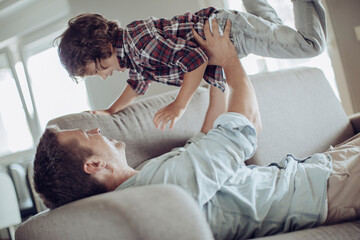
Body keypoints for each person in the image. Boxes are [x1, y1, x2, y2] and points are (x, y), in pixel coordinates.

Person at [33, 19, 357, 240]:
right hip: (324, 187)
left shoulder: (147, 178)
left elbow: (208, 137)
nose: (94, 129)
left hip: (318, 168)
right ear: (93, 165)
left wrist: (215, 71)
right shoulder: (161, 191)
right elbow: (245, 127)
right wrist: (229, 58)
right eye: (86, 135)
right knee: (308, 42)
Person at [56, 0, 326, 131]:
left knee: (310, 45)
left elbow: (195, 61)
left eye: (97, 70)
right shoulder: (133, 51)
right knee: (274, 27)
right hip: (228, 31)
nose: (103, 77)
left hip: (229, 33)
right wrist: (110, 110)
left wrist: (180, 104)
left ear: (102, 49)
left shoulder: (138, 45)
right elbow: (137, 85)